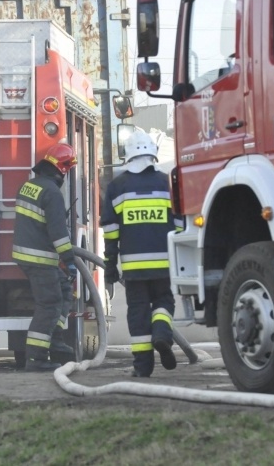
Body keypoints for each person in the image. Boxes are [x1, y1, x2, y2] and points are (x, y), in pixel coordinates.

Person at [100, 129, 183, 378]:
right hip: (164, 263)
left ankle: (142, 368)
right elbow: (180, 226)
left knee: (137, 313)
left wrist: (110, 264)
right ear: (153, 154)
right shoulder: (167, 183)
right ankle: (161, 333)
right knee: (164, 302)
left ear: (127, 157)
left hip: (134, 268)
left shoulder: (117, 187)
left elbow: (111, 232)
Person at [12, 143, 79, 371]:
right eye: (67, 169)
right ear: (61, 168)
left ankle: (56, 343)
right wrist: (69, 260)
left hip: (28, 255)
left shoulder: (29, 186)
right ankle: (36, 358)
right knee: (49, 305)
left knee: (63, 292)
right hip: (39, 259)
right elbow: (59, 233)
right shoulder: (52, 192)